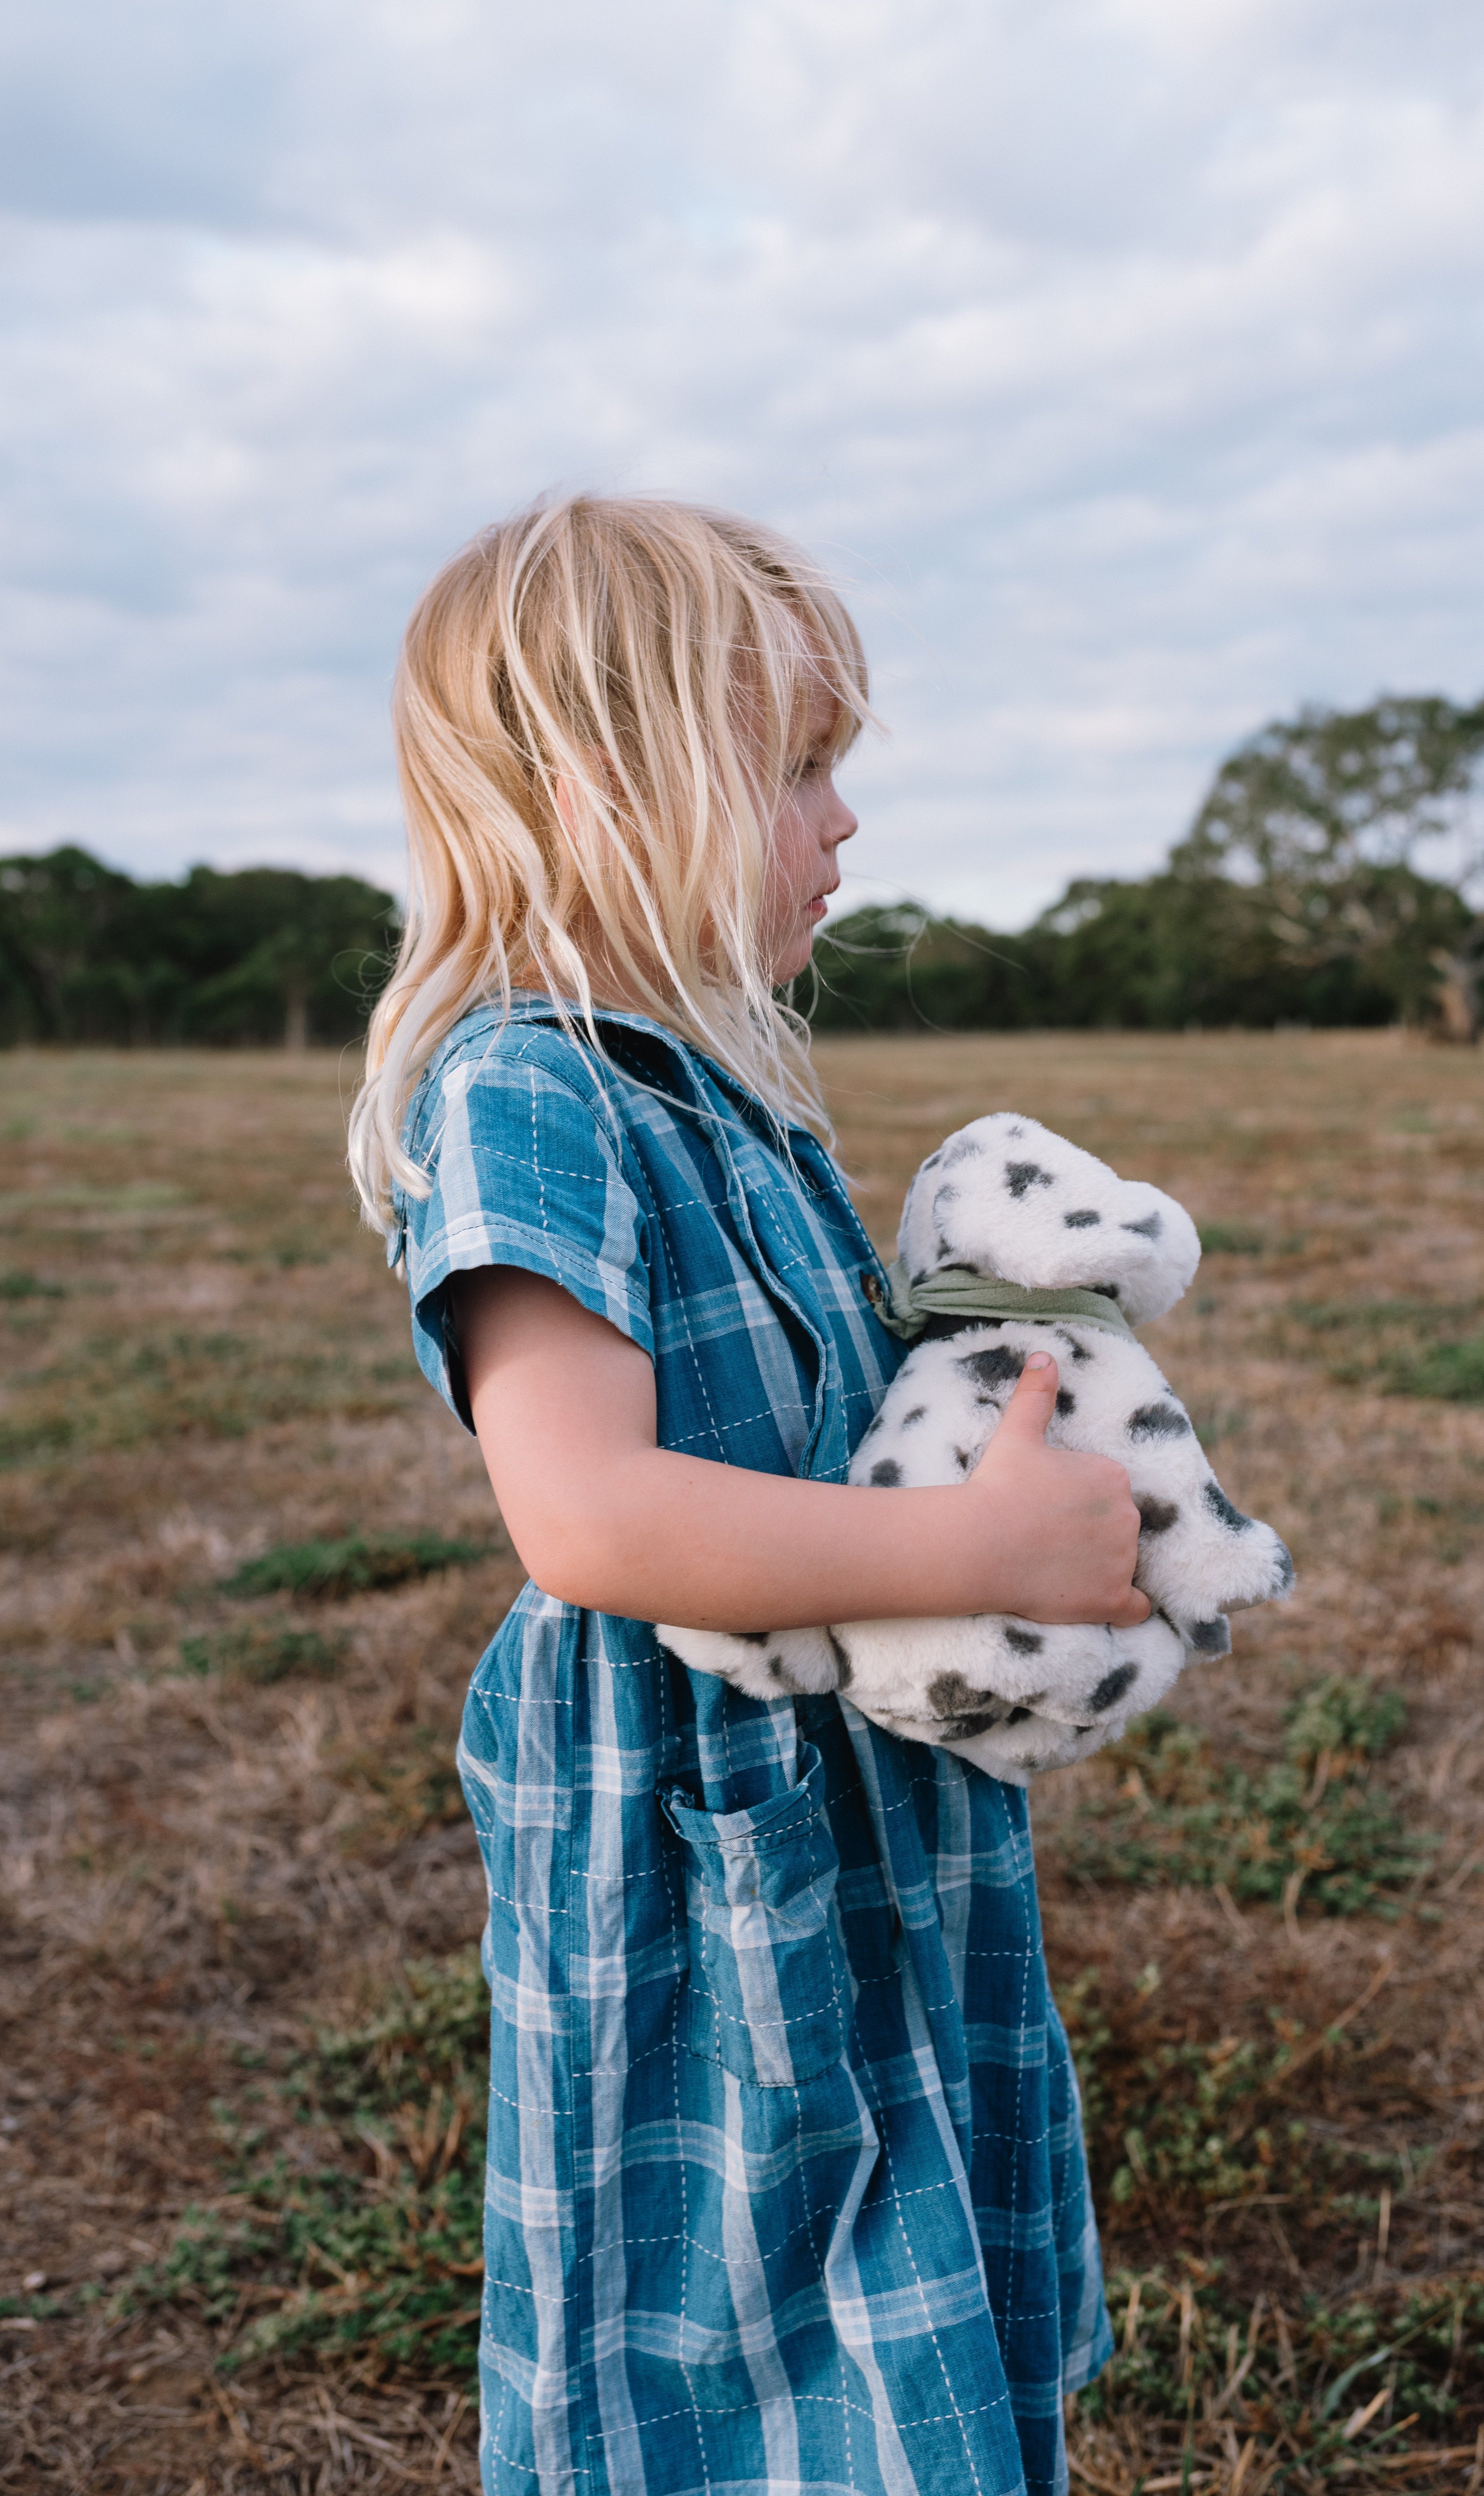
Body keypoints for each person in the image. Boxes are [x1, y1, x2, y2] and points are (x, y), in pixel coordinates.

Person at [349, 494, 1149, 2496]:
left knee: (903, 2280)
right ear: (606, 785)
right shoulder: (521, 1087)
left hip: (847, 1794)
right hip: (704, 1833)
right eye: (797, 768)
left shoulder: (723, 1087)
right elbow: (591, 1516)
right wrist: (967, 1547)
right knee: (743, 2345)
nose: (841, 824)